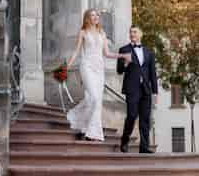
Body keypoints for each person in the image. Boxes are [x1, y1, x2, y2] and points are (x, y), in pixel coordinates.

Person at [66, 9, 131, 141]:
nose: (95, 17)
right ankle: (86, 126)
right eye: (92, 15)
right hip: (87, 66)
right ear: (87, 18)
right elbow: (76, 52)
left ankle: (90, 131)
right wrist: (66, 67)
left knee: (96, 100)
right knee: (94, 98)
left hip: (99, 69)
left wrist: (122, 55)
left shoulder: (102, 33)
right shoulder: (83, 32)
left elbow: (107, 53)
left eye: (97, 15)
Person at [117, 25, 158, 153]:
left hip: (146, 89)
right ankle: (124, 140)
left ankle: (144, 147)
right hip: (132, 88)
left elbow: (153, 73)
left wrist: (155, 92)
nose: (132, 34)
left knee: (145, 118)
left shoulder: (149, 52)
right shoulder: (124, 49)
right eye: (130, 32)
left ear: (140, 34)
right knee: (132, 115)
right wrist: (125, 63)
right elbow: (119, 71)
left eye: (134, 32)